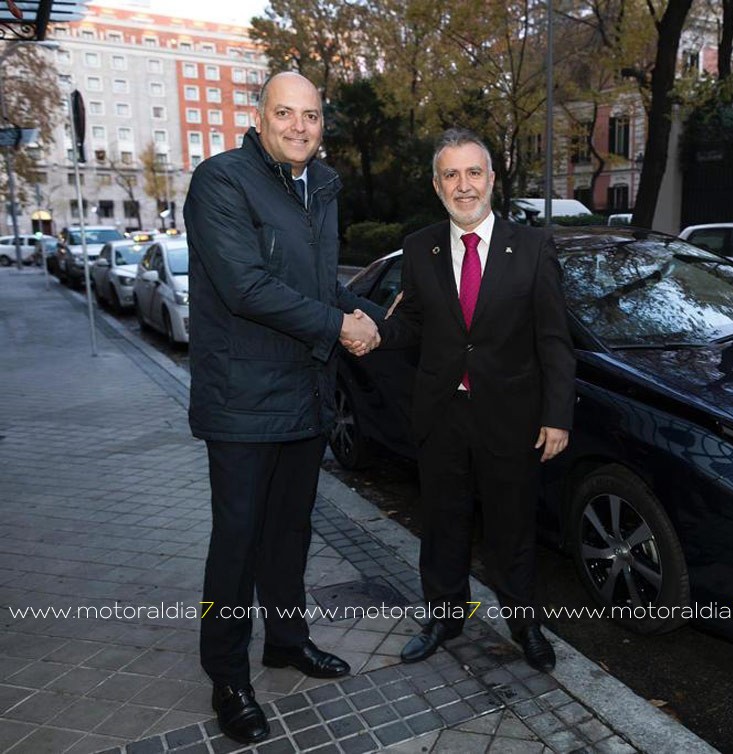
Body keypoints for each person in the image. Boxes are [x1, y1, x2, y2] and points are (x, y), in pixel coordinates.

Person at [184, 71, 381, 745]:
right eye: (286, 113)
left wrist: (371, 315)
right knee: (236, 545)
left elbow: (318, 283)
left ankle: (286, 642)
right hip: (241, 399)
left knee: (290, 534)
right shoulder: (221, 181)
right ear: (261, 117)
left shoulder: (318, 186)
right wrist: (338, 326)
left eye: (312, 116)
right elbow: (246, 287)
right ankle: (227, 675)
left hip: (304, 393)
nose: (301, 126)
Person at [377, 128, 575, 672]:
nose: (463, 185)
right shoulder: (420, 248)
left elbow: (554, 338)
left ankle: (525, 623)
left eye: (473, 173)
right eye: (450, 174)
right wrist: (371, 331)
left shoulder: (532, 248)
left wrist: (557, 414)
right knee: (442, 524)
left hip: (512, 417)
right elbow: (413, 321)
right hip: (441, 415)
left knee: (512, 528)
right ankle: (444, 616)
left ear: (491, 179)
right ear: (436, 184)